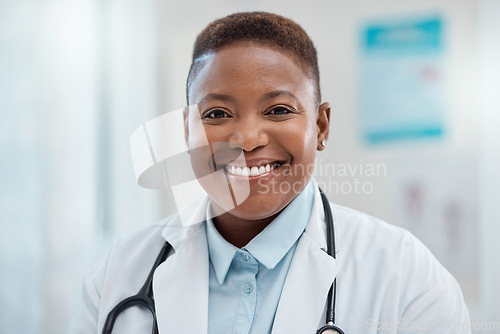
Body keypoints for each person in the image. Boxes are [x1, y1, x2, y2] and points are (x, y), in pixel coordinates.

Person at [69, 12, 470, 334]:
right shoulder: (118, 274)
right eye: (217, 114)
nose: (245, 139)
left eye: (278, 110)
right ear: (185, 133)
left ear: (321, 126)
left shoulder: (406, 276)